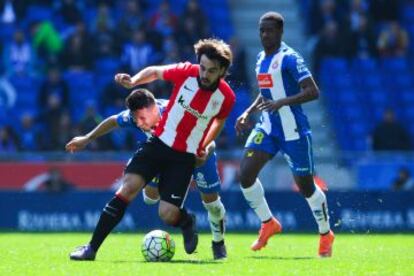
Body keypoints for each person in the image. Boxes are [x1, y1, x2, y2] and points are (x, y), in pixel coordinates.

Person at [68, 38, 235, 261]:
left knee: (167, 214)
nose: (204, 74)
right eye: (203, 67)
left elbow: (219, 123)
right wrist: (134, 81)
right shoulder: (187, 72)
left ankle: (186, 221)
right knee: (127, 189)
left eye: (212, 71)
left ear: (222, 70)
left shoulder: (226, 97)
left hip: (184, 157)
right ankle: (91, 249)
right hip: (157, 144)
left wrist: (203, 146)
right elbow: (155, 72)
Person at [235, 12, 334, 257]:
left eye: (269, 31)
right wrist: (248, 112)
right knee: (245, 174)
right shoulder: (260, 58)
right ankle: (268, 222)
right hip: (268, 128)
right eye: (261, 31)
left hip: (293, 130)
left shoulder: (290, 58)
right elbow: (265, 92)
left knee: (306, 186)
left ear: (280, 32)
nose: (265, 35)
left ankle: (325, 233)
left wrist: (283, 102)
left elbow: (313, 91)